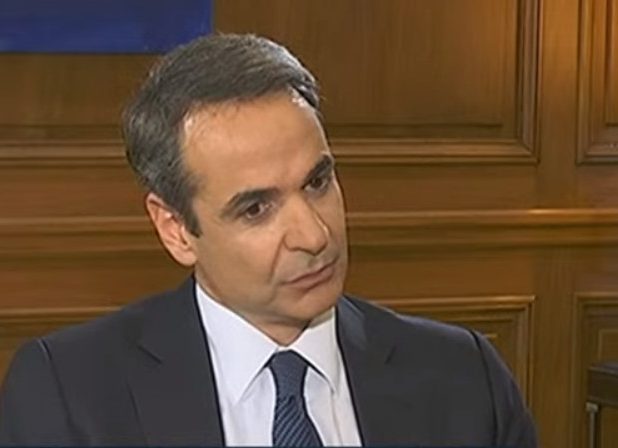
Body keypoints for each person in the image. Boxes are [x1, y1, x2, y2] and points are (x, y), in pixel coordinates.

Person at [0, 33, 537, 447]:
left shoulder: (466, 378)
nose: (314, 235)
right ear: (176, 229)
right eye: (256, 209)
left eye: (318, 182)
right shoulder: (69, 395)